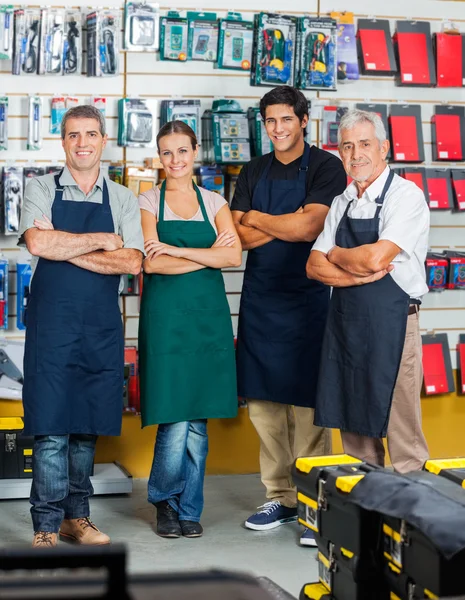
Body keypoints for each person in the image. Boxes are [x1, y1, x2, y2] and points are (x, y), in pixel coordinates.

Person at [19, 105, 144, 548]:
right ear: (64, 141)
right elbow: (37, 242)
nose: (83, 143)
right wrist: (101, 241)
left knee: (86, 423)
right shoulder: (39, 187)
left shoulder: (124, 198)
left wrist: (65, 246)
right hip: (53, 325)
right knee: (51, 425)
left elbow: (131, 260)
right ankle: (47, 525)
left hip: (99, 327)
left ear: (103, 140)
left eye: (91, 134)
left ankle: (78, 517)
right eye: (74, 135)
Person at [231, 86, 347, 546]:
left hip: (308, 298)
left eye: (286, 120)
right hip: (261, 298)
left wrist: (258, 218)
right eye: (270, 121)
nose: (278, 129)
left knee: (307, 402)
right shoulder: (254, 169)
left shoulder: (325, 166)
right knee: (263, 404)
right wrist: (279, 222)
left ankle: (313, 501)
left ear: (303, 120)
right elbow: (237, 236)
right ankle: (278, 495)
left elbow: (311, 226)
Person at [307, 109, 430, 473]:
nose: (356, 154)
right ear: (340, 152)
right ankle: (361, 512)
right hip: (347, 327)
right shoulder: (342, 201)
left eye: (364, 144)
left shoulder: (406, 197)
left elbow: (377, 259)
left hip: (393, 325)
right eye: (347, 146)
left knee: (401, 426)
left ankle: (413, 519)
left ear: (384, 148)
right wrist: (353, 272)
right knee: (354, 420)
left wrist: (336, 254)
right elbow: (313, 266)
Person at [138, 121, 241, 539]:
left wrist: (178, 249)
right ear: (159, 157)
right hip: (166, 322)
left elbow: (233, 256)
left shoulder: (215, 200)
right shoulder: (146, 200)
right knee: (174, 416)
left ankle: (189, 509)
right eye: (167, 153)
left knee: (198, 421)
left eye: (182, 151)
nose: (175, 160)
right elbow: (151, 263)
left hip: (208, 322)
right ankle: (166, 501)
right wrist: (206, 254)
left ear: (195, 151)